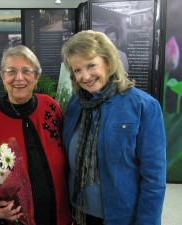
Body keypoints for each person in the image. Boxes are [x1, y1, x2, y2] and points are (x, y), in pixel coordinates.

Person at [61, 30, 166, 225]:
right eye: (77, 70)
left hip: (120, 218)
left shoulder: (143, 106)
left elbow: (154, 178)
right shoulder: (76, 104)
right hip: (77, 213)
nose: (85, 76)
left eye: (91, 65)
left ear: (108, 62)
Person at [0, 45, 71, 225]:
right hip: (11, 219)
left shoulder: (51, 107)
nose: (19, 77)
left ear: (36, 77)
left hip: (57, 214)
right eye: (11, 71)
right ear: (2, 77)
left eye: (26, 71)